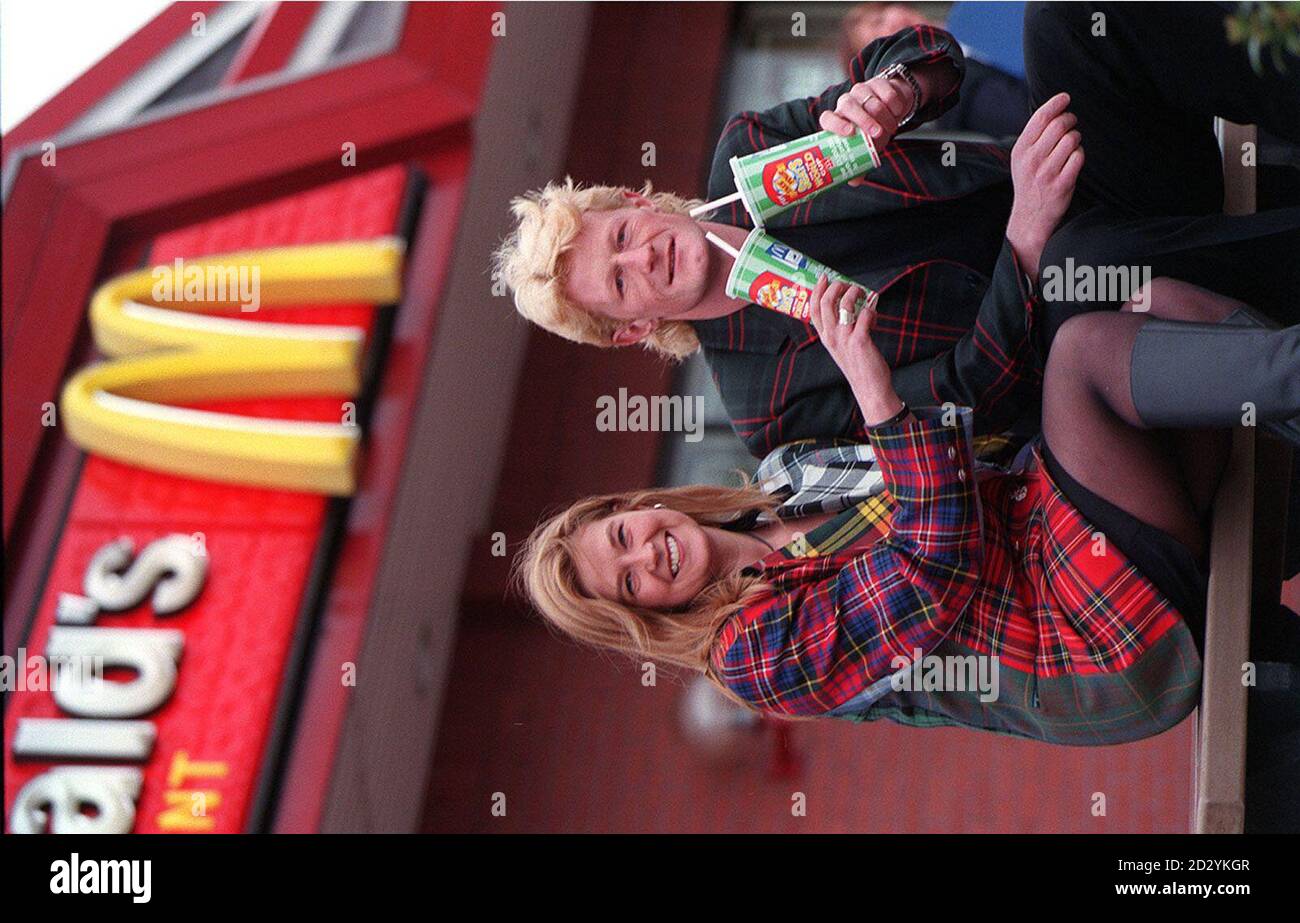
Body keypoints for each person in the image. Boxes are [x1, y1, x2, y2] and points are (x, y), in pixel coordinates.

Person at [515, 275, 1300, 754]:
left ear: (641, 506)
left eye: (624, 536)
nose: (646, 556)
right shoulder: (750, 659)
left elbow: (972, 454)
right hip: (1089, 635)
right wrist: (872, 387)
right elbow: (932, 569)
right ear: (642, 618)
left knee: (1157, 305)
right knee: (1086, 355)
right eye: (628, 583)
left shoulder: (786, 480)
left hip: (1062, 527)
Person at [495, 7, 1300, 460]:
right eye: (624, 279)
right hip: (1082, 347)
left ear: (638, 198)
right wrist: (1020, 247)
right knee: (1075, 263)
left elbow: (934, 56)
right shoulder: (766, 409)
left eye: (624, 233)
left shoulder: (748, 155)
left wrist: (894, 89)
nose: (645, 254)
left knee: (1067, 20)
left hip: (1083, 189)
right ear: (633, 326)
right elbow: (963, 406)